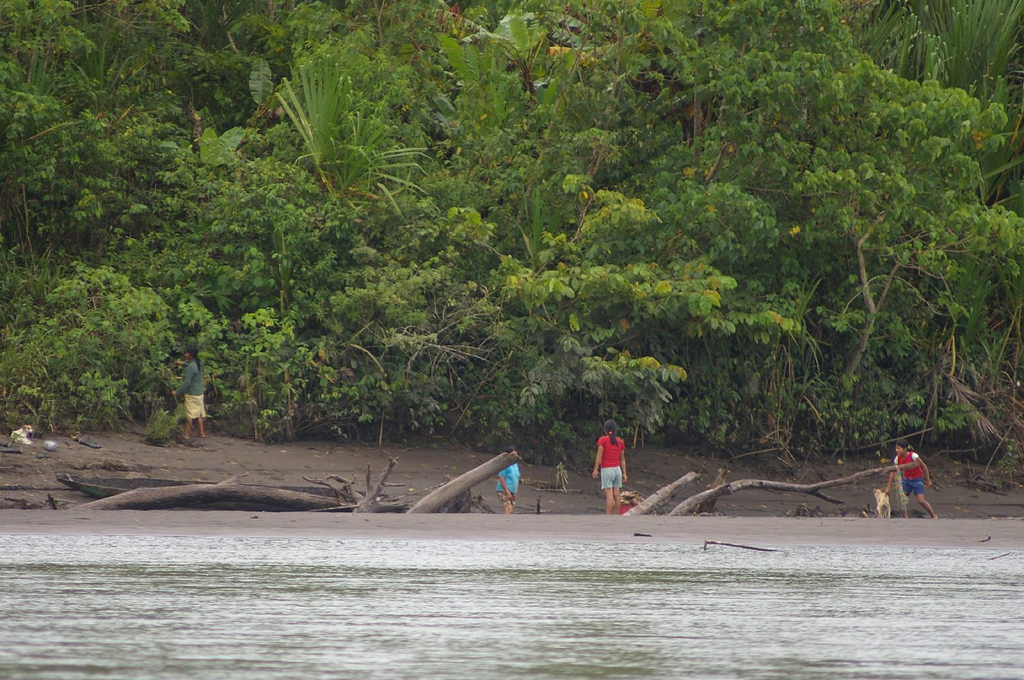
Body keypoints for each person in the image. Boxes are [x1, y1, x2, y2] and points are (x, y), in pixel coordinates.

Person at [884, 438, 937, 519]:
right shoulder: (897, 459)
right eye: (896, 448)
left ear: (905, 449)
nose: (897, 450)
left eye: (899, 448)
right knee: (902, 500)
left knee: (921, 500)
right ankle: (905, 517)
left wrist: (927, 479)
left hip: (917, 480)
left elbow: (924, 466)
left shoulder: (913, 456)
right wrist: (888, 486)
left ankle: (933, 515)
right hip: (907, 480)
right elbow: (893, 472)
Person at [592, 419, 627, 515]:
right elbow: (622, 459)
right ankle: (616, 515)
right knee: (617, 494)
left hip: (607, 470)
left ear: (605, 430)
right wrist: (624, 473)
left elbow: (599, 456)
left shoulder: (603, 440)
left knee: (609, 495)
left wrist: (595, 470)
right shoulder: (620, 442)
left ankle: (608, 516)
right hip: (617, 470)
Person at [174, 345, 206, 440]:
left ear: (190, 355)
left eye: (187, 353)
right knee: (199, 413)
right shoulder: (196, 363)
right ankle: (201, 432)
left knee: (189, 414)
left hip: (192, 393)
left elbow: (186, 382)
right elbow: (187, 363)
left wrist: (177, 391)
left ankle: (186, 435)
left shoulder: (191, 367)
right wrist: (180, 363)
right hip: (199, 393)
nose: (185, 354)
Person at [495, 447, 521, 515]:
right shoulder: (504, 465)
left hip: (512, 490)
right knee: (508, 508)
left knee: (511, 509)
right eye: (512, 455)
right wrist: (507, 491)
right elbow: (501, 479)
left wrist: (515, 492)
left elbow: (517, 478)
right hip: (503, 490)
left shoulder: (515, 465)